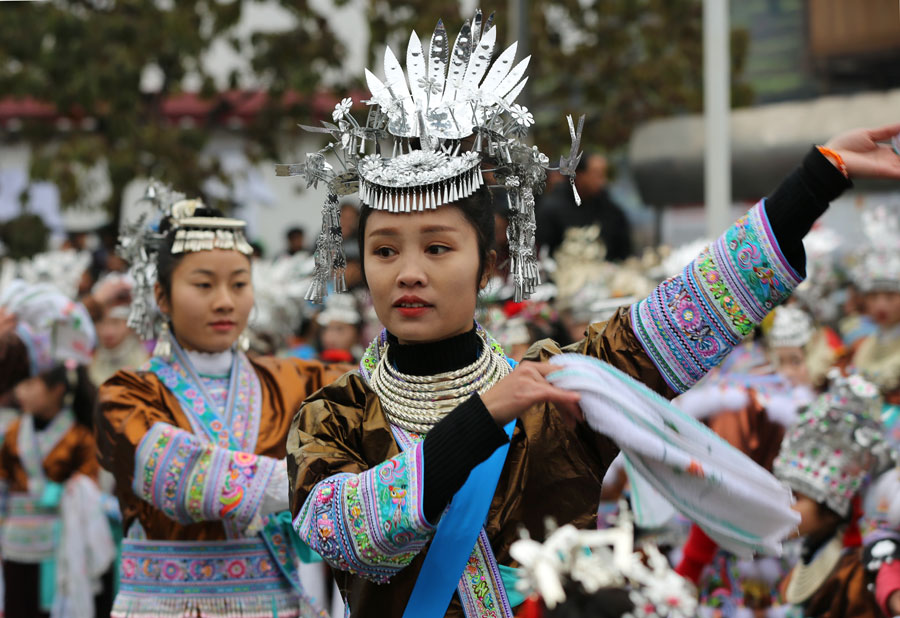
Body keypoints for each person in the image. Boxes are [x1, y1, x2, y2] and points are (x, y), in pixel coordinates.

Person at [277, 12, 900, 617]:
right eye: (384, 250)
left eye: (437, 248)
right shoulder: (332, 415)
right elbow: (350, 538)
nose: (408, 272)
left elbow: (691, 308)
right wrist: (483, 416)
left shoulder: (557, 394)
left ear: (488, 264)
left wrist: (815, 182)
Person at [95, 191, 347, 617]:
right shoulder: (126, 395)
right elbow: (176, 473)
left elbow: (384, 398)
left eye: (239, 284)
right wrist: (309, 480)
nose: (225, 301)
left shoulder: (295, 380)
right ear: (161, 296)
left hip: (274, 606)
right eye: (204, 284)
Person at [0, 281, 115, 618]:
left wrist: (64, 493)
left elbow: (89, 486)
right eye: (20, 383)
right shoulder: (13, 432)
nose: (21, 391)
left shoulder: (79, 434)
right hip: (16, 541)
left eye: (30, 383)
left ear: (57, 389)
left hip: (60, 539)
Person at [773, 374, 891, 618]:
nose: (783, 506)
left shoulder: (857, 575)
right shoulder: (809, 551)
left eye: (797, 498)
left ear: (831, 509)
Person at [536, 153, 632, 261]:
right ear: (579, 175)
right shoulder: (551, 209)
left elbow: (623, 252)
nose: (602, 180)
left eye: (604, 174)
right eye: (596, 174)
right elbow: (541, 251)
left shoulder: (611, 211)